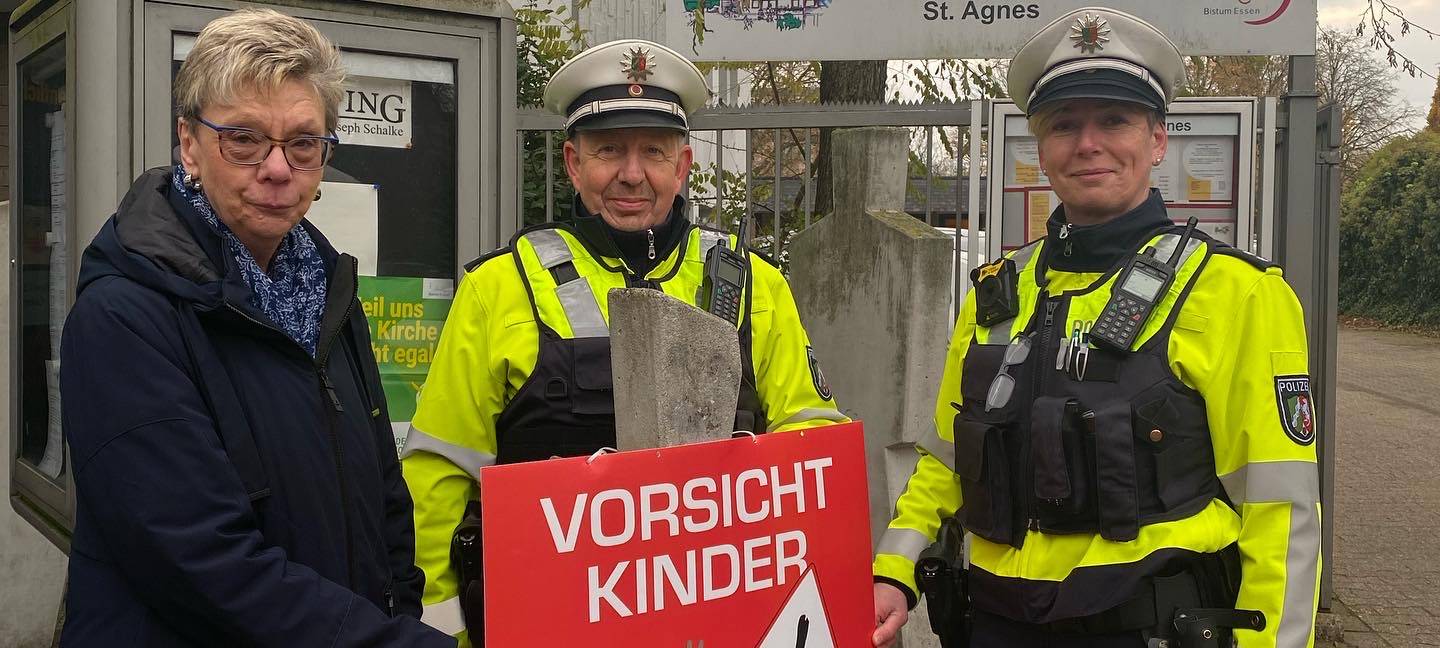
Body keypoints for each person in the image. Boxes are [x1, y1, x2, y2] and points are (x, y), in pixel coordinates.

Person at [871, 7, 1320, 648]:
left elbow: (1281, 508)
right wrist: (894, 568)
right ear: (1042, 147)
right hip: (995, 623)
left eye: (1114, 120)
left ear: (1157, 139)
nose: (1088, 143)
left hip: (1149, 625)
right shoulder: (1000, 291)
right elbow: (946, 457)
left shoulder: (1239, 292)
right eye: (1065, 125)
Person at [400, 38, 848, 641]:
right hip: (547, 622)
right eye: (608, 149)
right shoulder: (498, 288)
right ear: (572, 162)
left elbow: (810, 446)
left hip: (716, 619)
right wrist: (441, 628)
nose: (631, 175)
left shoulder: (756, 284)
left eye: (654, 153)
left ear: (683, 165)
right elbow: (441, 474)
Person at [57, 9, 454, 646]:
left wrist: (399, 610)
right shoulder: (123, 317)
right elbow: (201, 564)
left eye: (303, 143)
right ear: (188, 142)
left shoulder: (327, 290)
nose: (277, 168)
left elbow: (382, 491)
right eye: (243, 139)